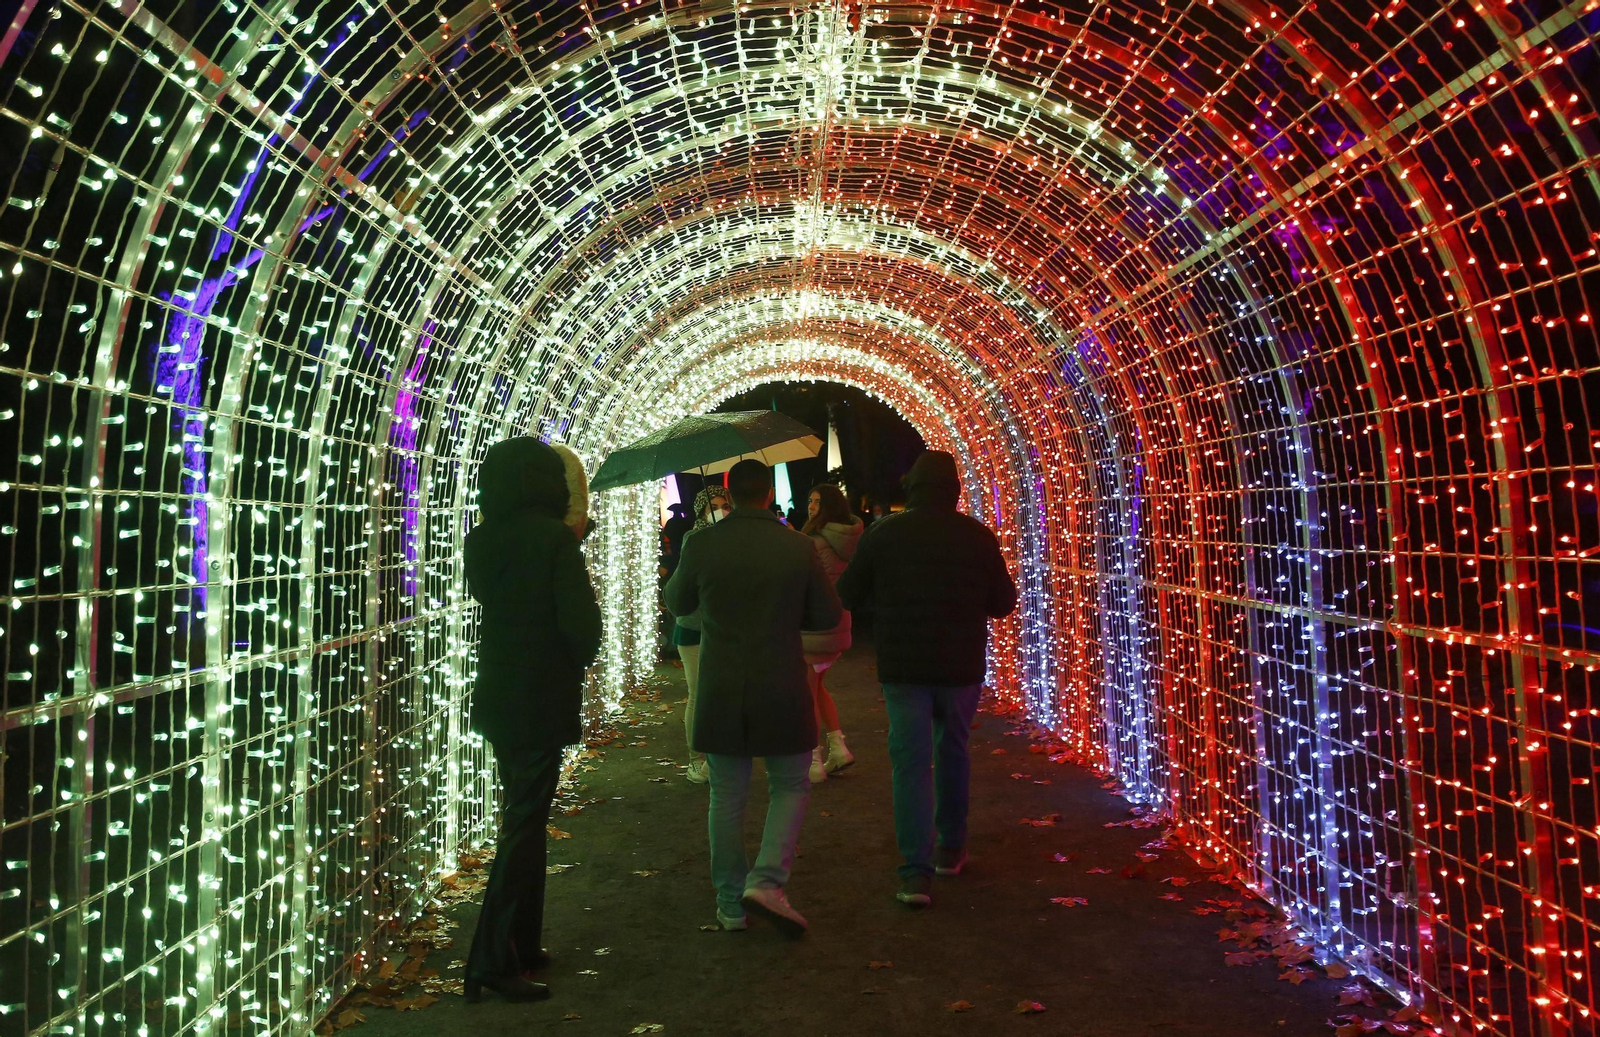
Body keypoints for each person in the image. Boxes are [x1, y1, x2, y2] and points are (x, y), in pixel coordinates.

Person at [664, 460, 841, 936]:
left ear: (730, 492)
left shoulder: (701, 543)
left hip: (722, 685)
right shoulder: (798, 546)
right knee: (790, 784)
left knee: (726, 794)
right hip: (781, 681)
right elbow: (826, 615)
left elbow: (677, 602)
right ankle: (767, 880)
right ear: (767, 494)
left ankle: (729, 905)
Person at [836, 450, 1016, 909]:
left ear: (911, 488)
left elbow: (849, 592)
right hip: (960, 664)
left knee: (910, 763)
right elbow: (1003, 603)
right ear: (955, 490)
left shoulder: (885, 534)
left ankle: (915, 872)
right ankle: (951, 847)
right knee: (952, 750)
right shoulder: (977, 537)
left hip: (904, 664)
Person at [462, 438, 602, 1001]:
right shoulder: (553, 540)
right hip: (542, 698)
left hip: (499, 693)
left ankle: (522, 941)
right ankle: (491, 960)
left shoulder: (482, 538)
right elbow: (582, 629)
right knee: (523, 826)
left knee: (524, 817)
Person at [799, 483, 862, 783]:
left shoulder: (815, 540)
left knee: (807, 690)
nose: (811, 506)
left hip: (815, 624)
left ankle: (813, 760)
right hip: (838, 622)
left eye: (817, 502)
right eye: (810, 500)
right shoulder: (846, 538)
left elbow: (806, 584)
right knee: (818, 686)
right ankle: (837, 747)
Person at [672, 485, 731, 783]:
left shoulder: (735, 538)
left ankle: (717, 754)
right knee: (697, 693)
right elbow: (688, 583)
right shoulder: (693, 539)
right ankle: (695, 759)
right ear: (702, 512)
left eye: (724, 505)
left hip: (723, 627)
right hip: (694, 626)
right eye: (713, 507)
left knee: (720, 693)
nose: (720, 511)